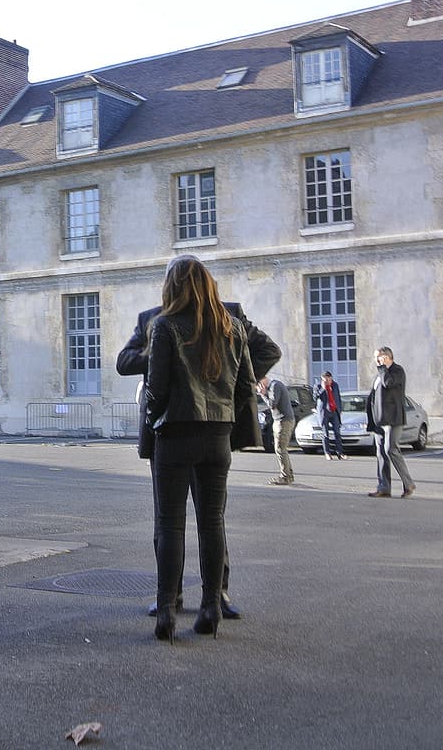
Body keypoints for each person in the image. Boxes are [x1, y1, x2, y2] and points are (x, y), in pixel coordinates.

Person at [116, 254, 281, 620]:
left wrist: (224, 379)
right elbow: (124, 362)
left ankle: (213, 594)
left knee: (181, 521)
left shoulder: (228, 315)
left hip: (173, 427)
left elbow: (268, 351)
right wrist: (163, 353)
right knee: (203, 520)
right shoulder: (153, 320)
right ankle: (179, 597)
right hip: (210, 430)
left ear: (170, 283)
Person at [144, 257, 257, 641]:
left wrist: (153, 419)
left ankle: (166, 610)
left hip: (175, 433)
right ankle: (211, 605)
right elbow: (246, 387)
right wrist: (225, 419)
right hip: (218, 436)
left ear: (172, 287)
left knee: (170, 524)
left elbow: (156, 389)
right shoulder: (232, 327)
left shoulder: (165, 326)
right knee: (212, 523)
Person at [365, 346, 415, 498]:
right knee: (381, 452)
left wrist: (383, 368)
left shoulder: (396, 371)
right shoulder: (380, 373)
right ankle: (384, 487)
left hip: (393, 418)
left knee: (391, 449)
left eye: (378, 357)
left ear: (387, 357)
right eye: (375, 358)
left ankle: (408, 484)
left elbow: (388, 383)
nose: (376, 360)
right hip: (379, 419)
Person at [313, 371, 346, 460]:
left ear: (331, 378)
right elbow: (315, 397)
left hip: (334, 411)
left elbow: (338, 397)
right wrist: (323, 389)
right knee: (325, 434)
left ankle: (340, 453)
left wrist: (339, 410)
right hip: (324, 412)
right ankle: (327, 453)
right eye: (324, 380)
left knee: (337, 433)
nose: (327, 381)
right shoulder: (318, 386)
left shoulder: (335, 385)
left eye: (328, 379)